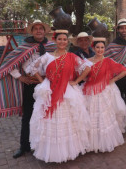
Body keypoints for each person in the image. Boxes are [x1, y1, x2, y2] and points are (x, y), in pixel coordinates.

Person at [29, 30, 91, 162]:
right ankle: (51, 152)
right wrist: (43, 82)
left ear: (67, 42)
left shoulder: (72, 56)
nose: (62, 41)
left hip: (67, 91)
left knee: (67, 120)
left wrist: (76, 81)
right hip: (50, 91)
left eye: (64, 39)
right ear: (55, 41)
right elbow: (33, 68)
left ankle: (67, 151)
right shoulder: (47, 56)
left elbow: (87, 68)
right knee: (49, 120)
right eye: (60, 39)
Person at [0, 20, 56, 159]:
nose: (38, 31)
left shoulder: (51, 46)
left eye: (41, 28)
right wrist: (19, 77)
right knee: (28, 116)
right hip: (31, 85)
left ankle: (43, 145)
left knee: (46, 114)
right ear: (32, 31)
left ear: (44, 31)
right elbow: (9, 63)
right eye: (35, 29)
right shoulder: (24, 47)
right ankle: (24, 146)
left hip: (47, 84)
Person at [83, 37, 126, 152]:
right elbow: (81, 75)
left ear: (104, 49)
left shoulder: (108, 61)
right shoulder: (87, 61)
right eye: (97, 47)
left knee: (104, 117)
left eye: (102, 47)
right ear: (93, 48)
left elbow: (124, 71)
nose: (99, 50)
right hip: (90, 92)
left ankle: (105, 142)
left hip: (104, 91)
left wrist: (112, 80)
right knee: (91, 116)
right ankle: (91, 143)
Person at [105, 18, 126, 130]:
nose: (124, 30)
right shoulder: (112, 45)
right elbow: (107, 61)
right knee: (118, 102)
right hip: (118, 77)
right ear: (118, 30)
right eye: (122, 28)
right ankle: (118, 126)